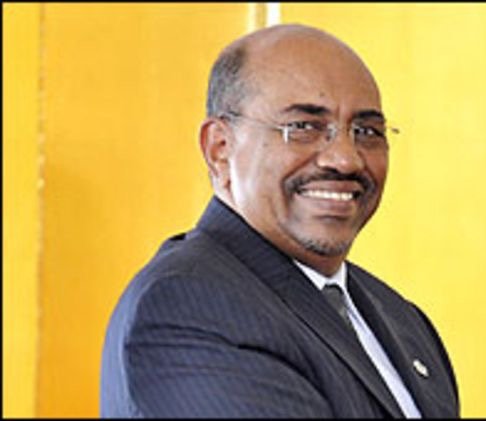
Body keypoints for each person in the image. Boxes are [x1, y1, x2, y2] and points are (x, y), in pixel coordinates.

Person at [100, 24, 459, 418]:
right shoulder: (188, 305)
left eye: (366, 131)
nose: (345, 159)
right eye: (303, 128)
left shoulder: (400, 318)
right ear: (220, 149)